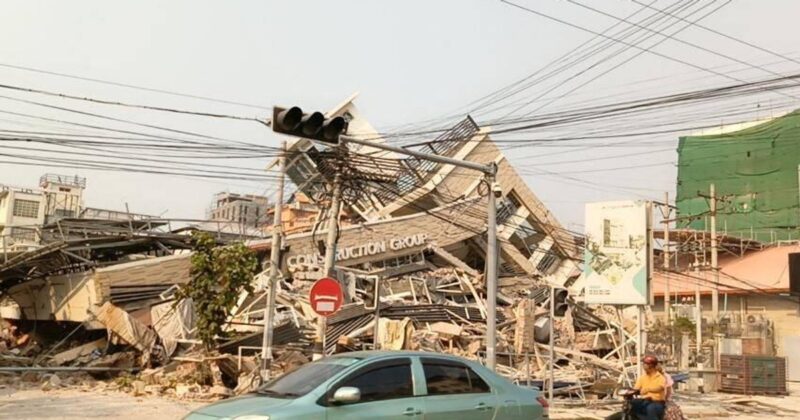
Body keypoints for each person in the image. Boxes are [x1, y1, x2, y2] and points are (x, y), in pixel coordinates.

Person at [631, 355, 666, 420]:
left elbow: (660, 387)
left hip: (657, 402)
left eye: (644, 364)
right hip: (645, 401)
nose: (643, 366)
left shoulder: (660, 377)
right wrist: (629, 391)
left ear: (651, 365)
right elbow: (636, 388)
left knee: (650, 408)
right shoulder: (642, 377)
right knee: (632, 404)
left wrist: (648, 389)